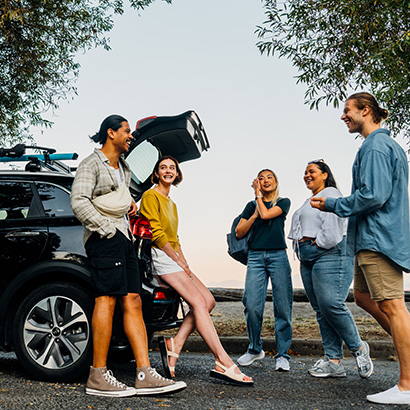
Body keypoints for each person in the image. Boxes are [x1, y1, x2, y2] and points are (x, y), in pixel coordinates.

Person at [71, 115, 186, 397]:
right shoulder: (91, 164)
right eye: (126, 131)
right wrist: (105, 229)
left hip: (125, 239)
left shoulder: (122, 168)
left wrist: (129, 208)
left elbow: (117, 199)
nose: (130, 136)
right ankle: (98, 375)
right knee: (107, 299)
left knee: (132, 300)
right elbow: (78, 200)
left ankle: (144, 373)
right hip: (104, 239)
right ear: (111, 133)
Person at [311, 92, 410, 404]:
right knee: (364, 297)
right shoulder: (383, 146)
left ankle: (407, 386)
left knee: (394, 307)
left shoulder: (376, 146)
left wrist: (332, 204)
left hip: (378, 239)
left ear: (365, 111)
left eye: (347, 111)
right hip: (370, 239)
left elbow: (373, 196)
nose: (344, 116)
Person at [140, 155, 253, 386]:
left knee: (208, 301)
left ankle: (175, 344)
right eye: (163, 168)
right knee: (198, 303)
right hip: (160, 256)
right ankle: (223, 361)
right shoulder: (150, 196)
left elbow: (175, 237)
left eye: (172, 167)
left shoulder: (172, 203)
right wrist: (175, 259)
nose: (168, 171)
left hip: (172, 256)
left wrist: (184, 262)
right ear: (156, 173)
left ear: (177, 174)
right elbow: (157, 233)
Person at [288, 160, 373, 378]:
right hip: (308, 256)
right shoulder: (309, 200)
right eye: (305, 172)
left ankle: (359, 348)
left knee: (331, 303)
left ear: (325, 175)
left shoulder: (331, 193)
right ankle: (333, 361)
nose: (307, 175)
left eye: (312, 171)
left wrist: (318, 244)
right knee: (321, 310)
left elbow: (334, 228)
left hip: (329, 252)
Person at [235, 169, 293, 371]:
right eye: (261, 178)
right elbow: (239, 232)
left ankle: (283, 355)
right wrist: (253, 215)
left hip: (278, 256)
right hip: (255, 257)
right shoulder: (251, 206)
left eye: (269, 177)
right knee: (251, 304)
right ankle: (254, 349)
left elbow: (268, 215)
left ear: (276, 183)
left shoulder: (283, 202)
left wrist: (258, 197)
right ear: (256, 182)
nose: (265, 180)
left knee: (283, 306)